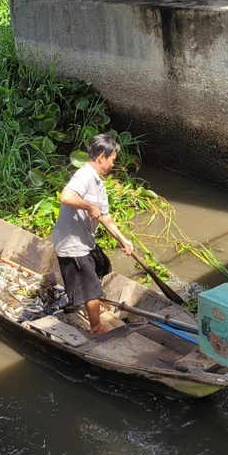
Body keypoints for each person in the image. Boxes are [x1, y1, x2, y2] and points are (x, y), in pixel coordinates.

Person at [51, 134, 134, 336]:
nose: (113, 164)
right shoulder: (84, 175)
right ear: (100, 157)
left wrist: (123, 240)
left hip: (85, 240)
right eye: (112, 159)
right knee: (90, 287)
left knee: (102, 265)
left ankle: (93, 303)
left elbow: (105, 217)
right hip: (71, 244)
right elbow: (66, 196)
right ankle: (96, 327)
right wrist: (88, 206)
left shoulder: (99, 184)